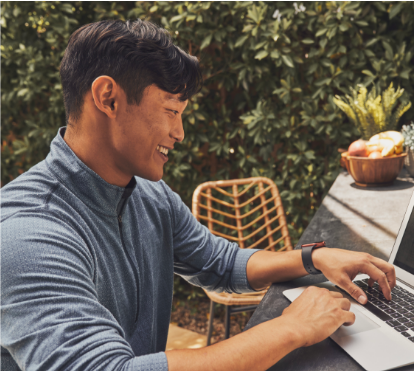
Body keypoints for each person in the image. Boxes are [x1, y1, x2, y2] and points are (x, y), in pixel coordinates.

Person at [1, 19, 396, 371]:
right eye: (172, 111)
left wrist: (313, 258)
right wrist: (292, 328)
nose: (180, 133)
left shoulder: (149, 195)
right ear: (108, 98)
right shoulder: (28, 235)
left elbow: (219, 263)